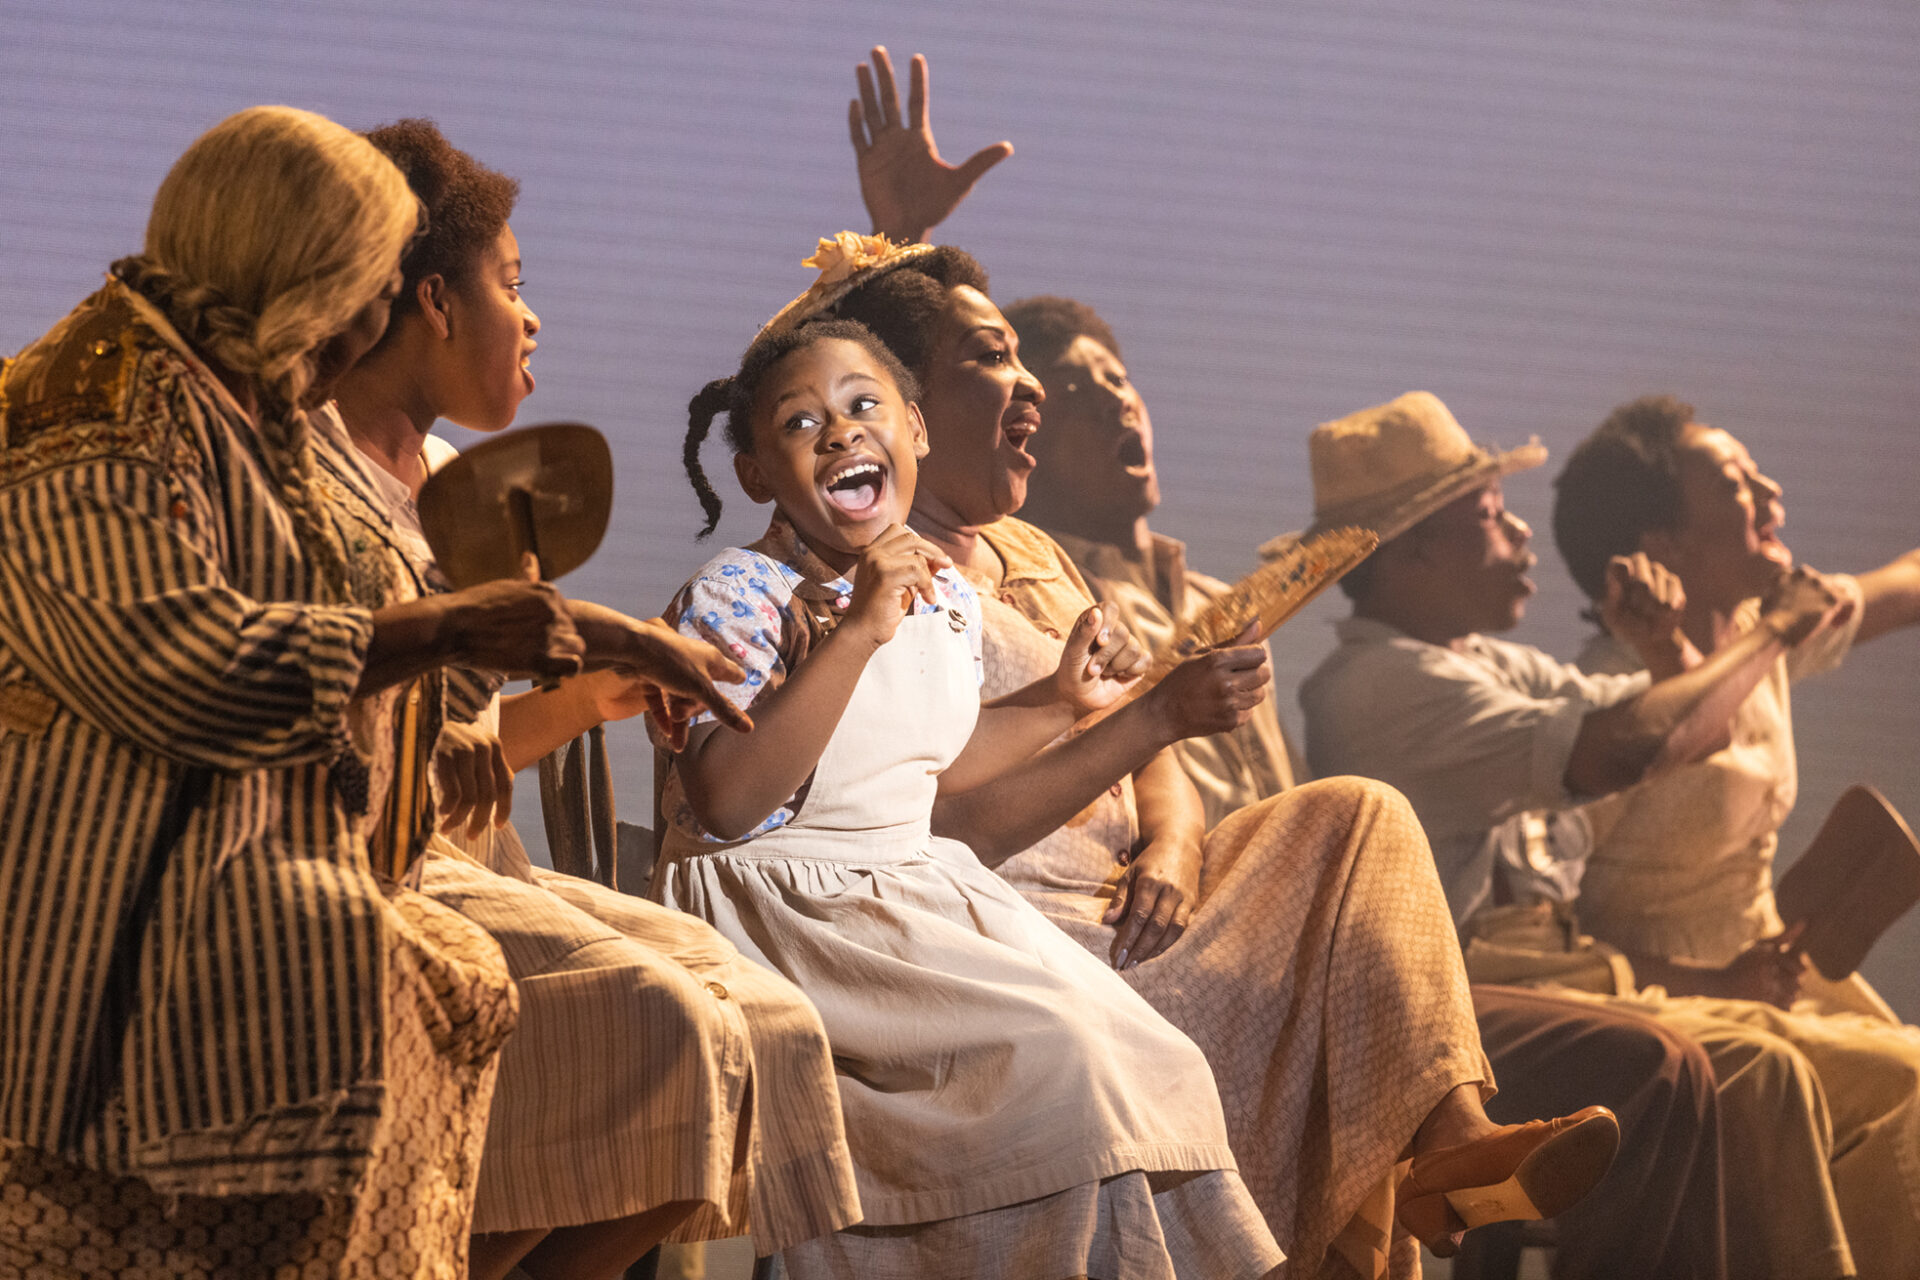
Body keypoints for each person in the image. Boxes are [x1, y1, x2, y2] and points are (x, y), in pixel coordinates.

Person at [839, 57, 1714, 1280]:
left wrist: (1175, 841)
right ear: (909, 406)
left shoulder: (1035, 558)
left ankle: (1457, 1141)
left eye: (1046, 370)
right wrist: (899, 240)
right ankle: (1412, 1161)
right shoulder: (875, 560)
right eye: (999, 363)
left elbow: (1158, 751)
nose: (1033, 388)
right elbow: (967, 792)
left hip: (1145, 902)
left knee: (1357, 817)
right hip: (1026, 940)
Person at [0, 106, 583, 1278]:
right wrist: (451, 624)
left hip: (236, 872)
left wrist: (489, 635)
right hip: (109, 915)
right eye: (365, 286)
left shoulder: (228, 393)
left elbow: (341, 630)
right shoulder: (92, 403)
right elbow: (181, 658)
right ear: (297, 262)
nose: (375, 322)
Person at [665, 286, 1293, 1278]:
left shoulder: (944, 593)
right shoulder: (738, 593)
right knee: (1063, 1063)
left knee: (1153, 1054)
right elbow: (729, 800)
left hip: (904, 881)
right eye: (799, 422)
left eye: (863, 406)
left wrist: (1056, 699)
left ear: (914, 429)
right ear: (755, 472)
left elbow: (935, 760)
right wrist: (860, 625)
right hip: (789, 905)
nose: (837, 433)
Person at [323, 120, 860, 1280]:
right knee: (661, 1022)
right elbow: (394, 767)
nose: (532, 316)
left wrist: (593, 694)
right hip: (393, 869)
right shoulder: (320, 484)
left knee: (769, 1025)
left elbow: (459, 753)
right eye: (510, 284)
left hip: (472, 854)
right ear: (432, 301)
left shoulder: (442, 490)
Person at [1297, 388, 1913, 1278]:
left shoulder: (1491, 663)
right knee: (1755, 1069)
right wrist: (1772, 628)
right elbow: (1628, 748)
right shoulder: (1376, 685)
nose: (1519, 539)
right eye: (1490, 516)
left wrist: (1671, 654)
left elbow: (1667, 728)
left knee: (1869, 1068)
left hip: (1564, 973)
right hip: (1454, 1004)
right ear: (1416, 547)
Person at [1551, 395, 1920, 1265]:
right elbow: (1547, 939)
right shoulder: (1611, 710)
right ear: (1664, 544)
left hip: (1767, 968)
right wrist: (1714, 978)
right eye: (1733, 482)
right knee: (1908, 1080)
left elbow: (1903, 586)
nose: (1769, 489)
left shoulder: (1766, 639)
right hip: (1651, 997)